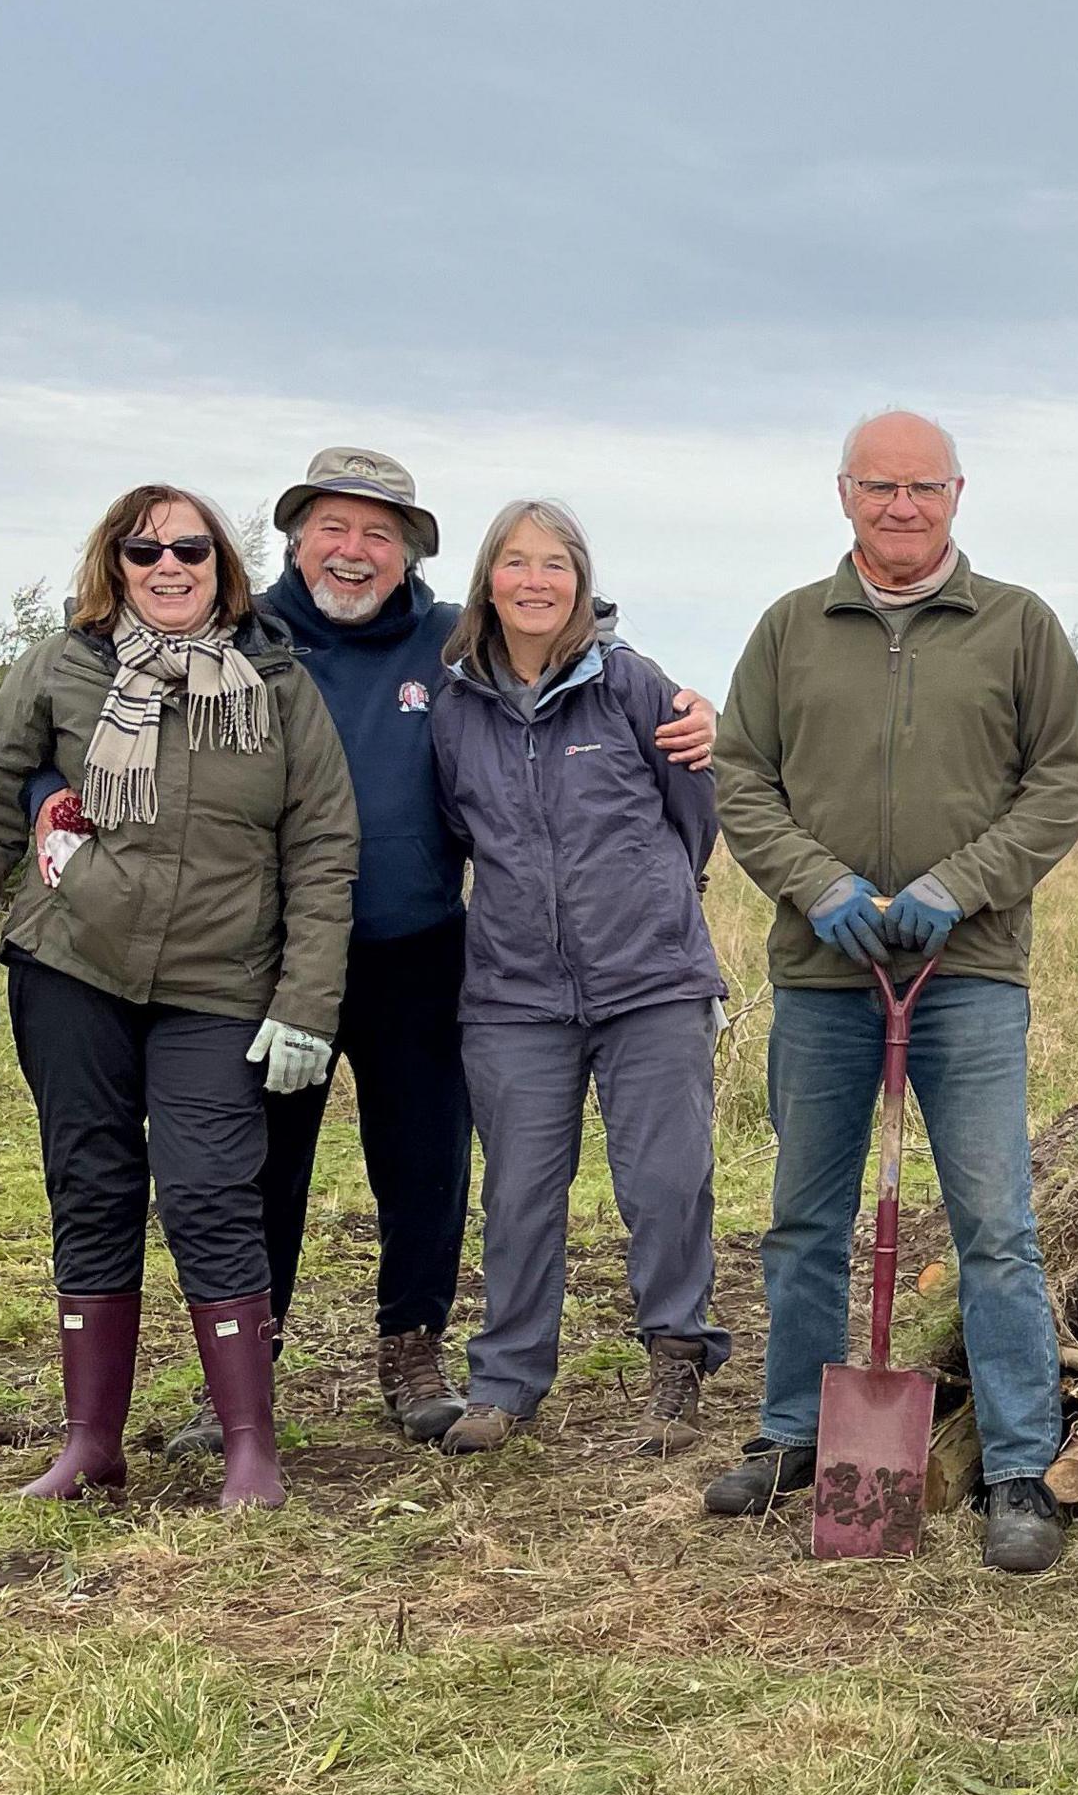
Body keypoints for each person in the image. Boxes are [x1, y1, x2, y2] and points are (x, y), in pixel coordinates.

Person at [148, 448, 716, 1461]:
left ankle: (412, 1351)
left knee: (427, 1171)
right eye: (333, 527)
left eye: (379, 533)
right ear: (293, 537)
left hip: (420, 950)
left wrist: (695, 739)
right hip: (268, 959)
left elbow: (669, 806)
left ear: (411, 550)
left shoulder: (447, 653)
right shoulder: (242, 638)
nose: (354, 552)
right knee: (258, 1172)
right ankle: (239, 1377)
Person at [0, 483, 359, 1510]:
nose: (169, 567)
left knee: (209, 1193)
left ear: (224, 568)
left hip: (221, 983)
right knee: (91, 1188)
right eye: (145, 549)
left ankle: (250, 1446)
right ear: (114, 563)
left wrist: (309, 1002)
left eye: (191, 551)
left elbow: (325, 847)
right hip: (71, 970)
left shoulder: (278, 687)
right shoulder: (61, 670)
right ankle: (90, 1445)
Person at [709, 410, 1078, 1569]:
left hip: (965, 974)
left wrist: (961, 884)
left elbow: (1059, 787)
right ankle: (793, 1434)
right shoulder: (789, 630)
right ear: (844, 495)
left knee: (995, 1224)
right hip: (827, 977)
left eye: (923, 487)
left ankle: (1021, 1467)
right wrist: (818, 883)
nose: (901, 506)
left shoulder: (1019, 628)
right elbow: (741, 776)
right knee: (803, 1223)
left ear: (958, 494)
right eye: (879, 487)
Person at [423, 500, 731, 1457]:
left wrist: (645, 907)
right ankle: (507, 1381)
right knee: (517, 1191)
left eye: (555, 564)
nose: (535, 581)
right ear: (489, 580)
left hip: (650, 983)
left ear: (580, 582)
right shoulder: (453, 703)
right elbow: (457, 830)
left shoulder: (630, 683)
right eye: (515, 562)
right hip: (514, 993)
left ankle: (677, 1358)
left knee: (666, 1182)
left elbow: (693, 814)